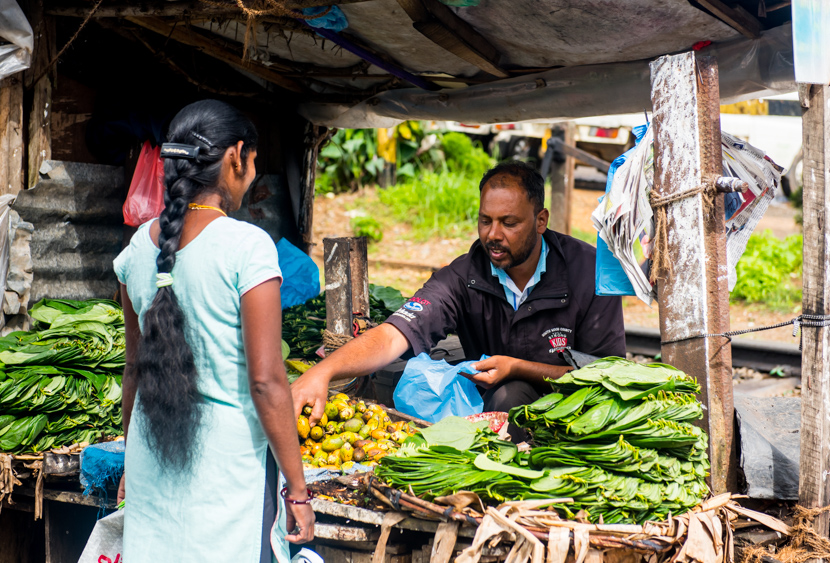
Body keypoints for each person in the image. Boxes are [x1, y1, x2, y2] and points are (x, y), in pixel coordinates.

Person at [292, 161, 626, 440]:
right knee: (508, 396)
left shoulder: (589, 273)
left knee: (513, 393)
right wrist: (323, 372)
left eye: (509, 223)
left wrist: (518, 367)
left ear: (541, 220)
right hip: (499, 409)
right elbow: (396, 333)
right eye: (485, 221)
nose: (493, 234)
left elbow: (609, 376)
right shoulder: (464, 275)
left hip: (584, 418)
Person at [114, 99, 314, 562]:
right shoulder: (247, 247)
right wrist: (298, 491)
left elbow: (133, 371)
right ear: (235, 156)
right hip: (228, 470)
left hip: (151, 453)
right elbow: (266, 381)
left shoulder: (137, 248)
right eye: (254, 162)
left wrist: (130, 457)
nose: (253, 173)